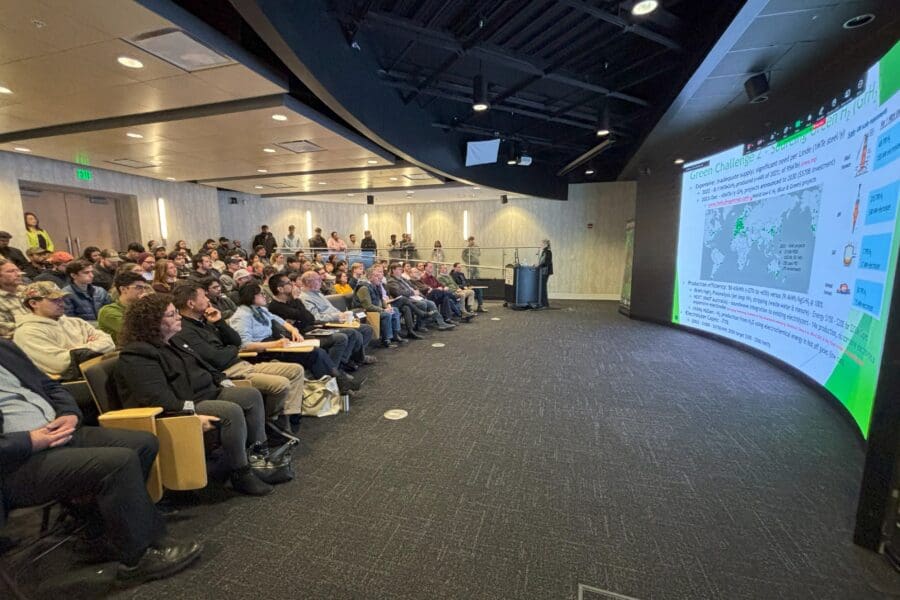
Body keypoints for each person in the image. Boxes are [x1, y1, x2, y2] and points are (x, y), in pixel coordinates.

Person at [0, 339, 203, 584]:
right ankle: (138, 557)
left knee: (143, 443)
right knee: (118, 463)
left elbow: (50, 386)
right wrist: (29, 441)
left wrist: (69, 414)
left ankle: (100, 530)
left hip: (58, 432)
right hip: (15, 460)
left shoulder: (5, 348)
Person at [114, 294, 275, 496]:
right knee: (230, 411)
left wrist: (223, 381)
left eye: (176, 312)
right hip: (181, 405)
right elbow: (157, 398)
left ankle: (259, 457)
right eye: (171, 315)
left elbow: (205, 366)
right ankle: (241, 473)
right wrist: (192, 413)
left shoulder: (174, 341)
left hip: (206, 393)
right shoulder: (138, 354)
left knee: (250, 395)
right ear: (152, 322)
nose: (178, 317)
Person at [170, 282, 303, 423]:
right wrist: (233, 349)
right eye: (203, 297)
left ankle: (288, 418)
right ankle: (271, 422)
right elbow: (216, 358)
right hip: (227, 372)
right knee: (281, 383)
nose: (208, 299)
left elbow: (236, 341)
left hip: (241, 364)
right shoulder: (185, 330)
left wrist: (219, 322)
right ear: (191, 303)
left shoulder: (205, 321)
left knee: (296, 370)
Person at [228, 283, 359, 395]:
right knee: (314, 353)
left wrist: (294, 330)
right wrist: (276, 344)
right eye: (261, 294)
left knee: (316, 351)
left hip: (274, 344)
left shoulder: (260, 310)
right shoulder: (242, 316)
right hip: (263, 351)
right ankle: (337, 382)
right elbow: (245, 345)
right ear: (251, 296)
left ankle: (337, 382)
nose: (264, 296)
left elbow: (281, 321)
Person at [14, 281, 115, 379]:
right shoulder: (27, 333)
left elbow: (110, 343)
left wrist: (75, 351)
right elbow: (59, 364)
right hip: (63, 384)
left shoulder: (77, 322)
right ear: (33, 303)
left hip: (93, 375)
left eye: (61, 299)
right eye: (54, 300)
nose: (61, 303)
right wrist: (89, 347)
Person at [268, 274, 356, 371]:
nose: (293, 284)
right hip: (299, 336)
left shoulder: (291, 301)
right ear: (280, 289)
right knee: (340, 338)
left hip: (309, 329)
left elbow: (309, 318)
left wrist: (298, 313)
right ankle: (332, 371)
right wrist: (296, 301)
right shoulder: (275, 306)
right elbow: (304, 317)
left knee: (350, 332)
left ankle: (339, 366)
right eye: (289, 283)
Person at [297, 271, 375, 368]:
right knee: (354, 333)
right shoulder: (304, 298)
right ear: (309, 282)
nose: (321, 282)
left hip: (337, 320)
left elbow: (332, 309)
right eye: (318, 280)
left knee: (367, 329)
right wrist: (337, 316)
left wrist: (342, 315)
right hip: (326, 325)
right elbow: (315, 317)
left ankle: (353, 358)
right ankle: (344, 363)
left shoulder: (318, 293)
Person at [353, 266, 406, 348]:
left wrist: (387, 307)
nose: (379, 278)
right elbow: (368, 306)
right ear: (370, 277)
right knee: (386, 314)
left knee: (394, 310)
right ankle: (386, 340)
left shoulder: (375, 286)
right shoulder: (364, 288)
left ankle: (395, 335)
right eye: (376, 276)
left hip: (376, 309)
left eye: (379, 276)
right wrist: (383, 310)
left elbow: (381, 300)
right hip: (365, 311)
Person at [98, 272, 151, 344]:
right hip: (121, 349)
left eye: (145, 288)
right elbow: (135, 331)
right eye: (138, 287)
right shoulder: (108, 311)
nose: (143, 291)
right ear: (123, 289)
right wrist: (143, 306)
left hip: (142, 346)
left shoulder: (141, 307)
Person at [0, 258, 27, 340]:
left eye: (17, 270)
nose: (18, 274)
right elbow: (5, 331)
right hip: (21, 341)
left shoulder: (28, 291)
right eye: (11, 271)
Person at [538, 238, 553, 308]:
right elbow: (542, 262)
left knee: (543, 288)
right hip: (543, 271)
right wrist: (538, 265)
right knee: (542, 287)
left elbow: (546, 262)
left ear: (546, 244)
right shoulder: (544, 251)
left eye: (542, 243)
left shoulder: (548, 252)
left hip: (545, 272)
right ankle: (543, 303)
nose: (541, 245)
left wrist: (538, 266)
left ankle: (545, 304)